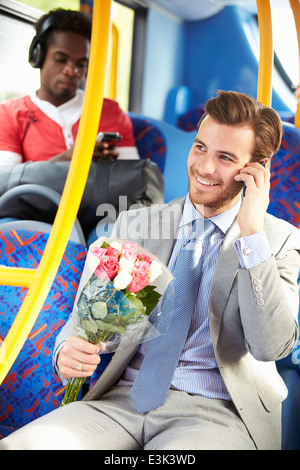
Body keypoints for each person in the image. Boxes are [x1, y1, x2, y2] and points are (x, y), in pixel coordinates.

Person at [0, 91, 299, 450]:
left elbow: (271, 347)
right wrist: (66, 349)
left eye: (224, 157)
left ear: (257, 170)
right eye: (200, 147)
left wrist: (252, 236)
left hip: (215, 412)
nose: (204, 167)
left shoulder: (277, 241)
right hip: (122, 402)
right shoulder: (136, 225)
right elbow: (86, 318)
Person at [0, 8, 139, 165]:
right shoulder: (8, 115)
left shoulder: (111, 111)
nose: (72, 71)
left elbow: (133, 179)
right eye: (61, 59)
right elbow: (5, 183)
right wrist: (67, 159)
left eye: (81, 64)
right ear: (38, 56)